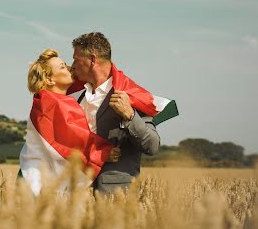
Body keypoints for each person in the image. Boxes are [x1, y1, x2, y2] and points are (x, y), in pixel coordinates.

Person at [70, 31, 177, 194]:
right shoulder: (79, 97)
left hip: (115, 195)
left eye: (76, 59)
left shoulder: (131, 95)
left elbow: (152, 146)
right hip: (78, 193)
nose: (73, 65)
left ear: (92, 59)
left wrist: (130, 115)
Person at [19, 49, 121, 196]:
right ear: (49, 80)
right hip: (35, 183)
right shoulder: (48, 103)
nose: (69, 68)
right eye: (62, 67)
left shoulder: (56, 100)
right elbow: (70, 137)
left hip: (40, 179)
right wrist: (102, 152)